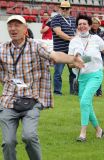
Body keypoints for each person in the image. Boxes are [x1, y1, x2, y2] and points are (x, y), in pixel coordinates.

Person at [0, 15, 84, 160]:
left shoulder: (36, 46)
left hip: (32, 99)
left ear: (25, 29)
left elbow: (55, 56)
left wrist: (72, 59)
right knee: (8, 142)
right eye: (10, 26)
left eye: (17, 25)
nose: (13, 29)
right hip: (9, 100)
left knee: (29, 136)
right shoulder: (2, 48)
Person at [68, 14, 104, 142]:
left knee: (84, 102)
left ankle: (82, 133)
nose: (82, 26)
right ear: (77, 27)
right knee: (87, 105)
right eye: (80, 24)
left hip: (95, 74)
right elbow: (69, 63)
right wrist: (76, 63)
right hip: (81, 77)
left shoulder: (96, 39)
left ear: (89, 25)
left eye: (84, 24)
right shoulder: (73, 41)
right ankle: (99, 130)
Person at [51, 0, 77, 95]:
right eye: (63, 8)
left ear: (70, 9)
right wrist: (72, 39)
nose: (65, 10)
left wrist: (76, 40)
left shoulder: (73, 19)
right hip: (60, 51)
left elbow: (77, 32)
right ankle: (57, 91)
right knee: (58, 73)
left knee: (73, 72)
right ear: (59, 8)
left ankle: (73, 91)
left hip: (71, 50)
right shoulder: (55, 19)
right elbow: (58, 32)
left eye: (67, 8)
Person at [90, 17, 104, 97]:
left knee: (98, 72)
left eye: (96, 23)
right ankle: (91, 91)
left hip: (100, 56)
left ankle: (99, 91)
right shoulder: (89, 32)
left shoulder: (101, 32)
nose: (95, 24)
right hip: (90, 56)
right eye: (93, 23)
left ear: (99, 24)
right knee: (90, 73)